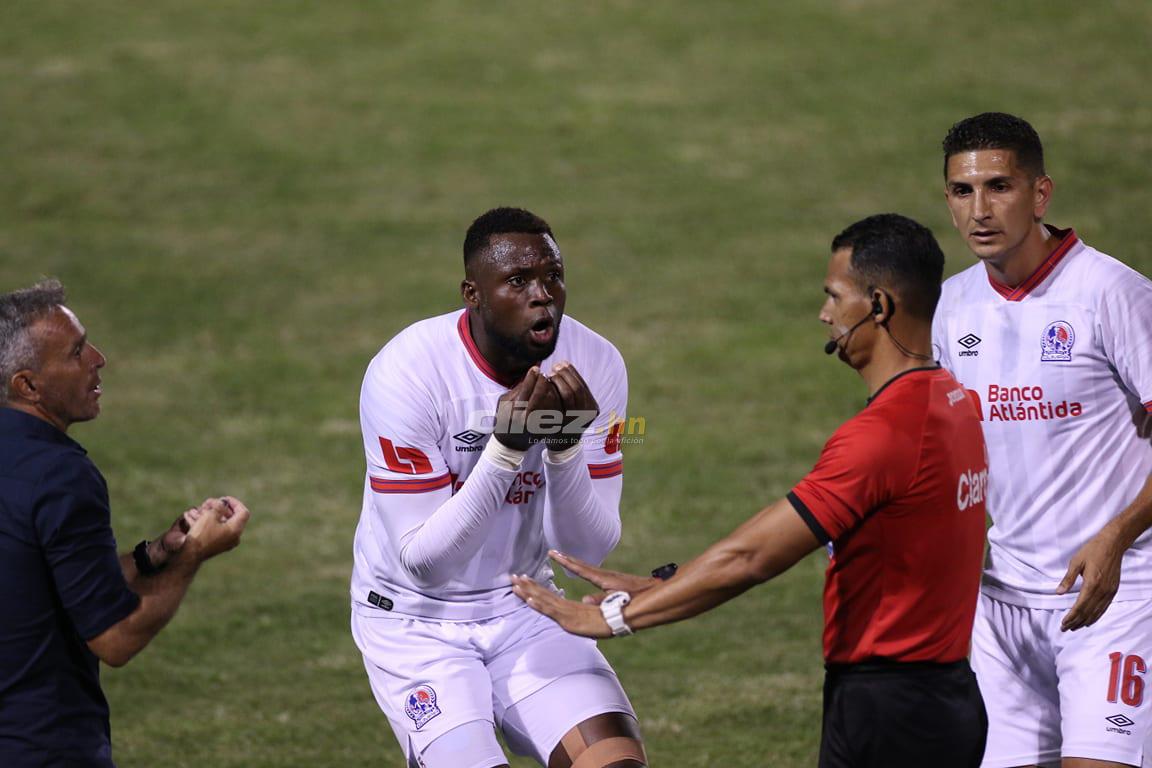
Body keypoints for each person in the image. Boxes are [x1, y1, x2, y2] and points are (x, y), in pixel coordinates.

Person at [512, 213, 990, 768]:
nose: (825, 315)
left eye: (835, 297)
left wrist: (613, 619)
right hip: (945, 695)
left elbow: (754, 557)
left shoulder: (885, 434)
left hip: (891, 713)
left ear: (879, 306)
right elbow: (785, 529)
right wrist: (663, 583)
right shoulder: (952, 401)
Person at [349, 207, 646, 768]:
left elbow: (586, 551)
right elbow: (425, 563)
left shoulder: (594, 362)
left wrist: (563, 447)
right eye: (518, 281)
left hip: (526, 603)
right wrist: (506, 450)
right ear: (473, 294)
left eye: (553, 276)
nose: (544, 296)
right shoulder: (409, 372)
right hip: (416, 623)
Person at [932, 112, 1152, 768]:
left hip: (1119, 597)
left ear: (1040, 193)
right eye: (962, 191)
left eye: (999, 187)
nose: (980, 210)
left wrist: (1115, 537)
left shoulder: (1112, 294)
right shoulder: (951, 307)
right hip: (1000, 608)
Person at [0, 279, 251, 767]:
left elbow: (44, 584)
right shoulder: (59, 476)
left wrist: (154, 556)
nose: (98, 358)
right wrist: (196, 553)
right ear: (27, 385)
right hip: (42, 746)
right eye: (75, 352)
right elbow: (115, 638)